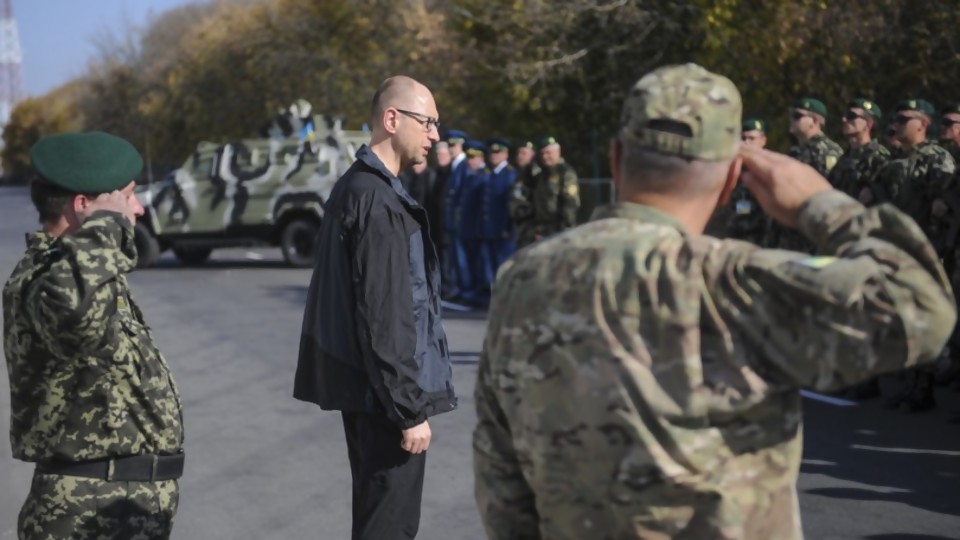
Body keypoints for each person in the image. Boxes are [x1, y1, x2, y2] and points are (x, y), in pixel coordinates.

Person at [472, 63, 956, 539]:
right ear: (731, 182)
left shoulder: (523, 277)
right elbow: (922, 307)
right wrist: (820, 204)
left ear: (617, 159)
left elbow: (501, 475)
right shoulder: (737, 280)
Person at [294, 75, 456, 540]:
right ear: (392, 119)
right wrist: (410, 410)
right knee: (389, 526)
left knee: (375, 517)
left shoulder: (356, 187)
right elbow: (384, 318)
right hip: (387, 400)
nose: (434, 135)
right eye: (427, 122)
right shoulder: (378, 201)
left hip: (371, 394)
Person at [4, 131, 185, 539]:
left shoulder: (84, 273)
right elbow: (74, 323)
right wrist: (105, 225)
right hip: (84, 511)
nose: (136, 209)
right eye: (126, 197)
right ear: (83, 205)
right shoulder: (46, 278)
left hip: (116, 504)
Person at [765, 98, 843, 252]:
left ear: (813, 121)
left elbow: (827, 195)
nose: (791, 120)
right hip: (788, 236)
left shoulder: (828, 152)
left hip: (810, 238)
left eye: (797, 116)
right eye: (791, 116)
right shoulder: (794, 152)